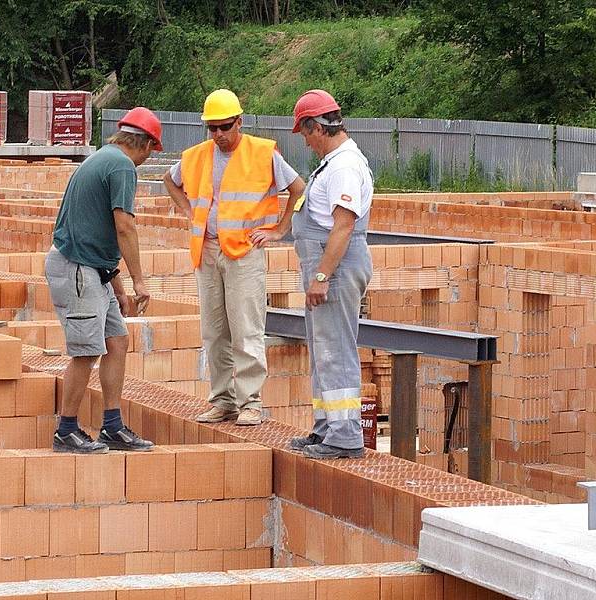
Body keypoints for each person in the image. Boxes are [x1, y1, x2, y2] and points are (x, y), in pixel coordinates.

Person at [163, 89, 305, 426]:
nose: (218, 135)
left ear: (239, 122)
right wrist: (190, 213)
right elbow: (171, 181)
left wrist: (279, 230)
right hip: (208, 252)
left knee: (246, 330)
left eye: (224, 127)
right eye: (212, 128)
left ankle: (250, 402)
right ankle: (223, 401)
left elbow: (298, 189)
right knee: (214, 332)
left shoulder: (262, 153)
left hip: (244, 254)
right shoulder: (196, 156)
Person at [259, 89, 373, 459]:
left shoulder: (343, 166)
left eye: (305, 133)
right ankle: (327, 429)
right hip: (327, 266)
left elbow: (342, 227)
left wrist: (322, 277)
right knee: (324, 350)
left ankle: (344, 437)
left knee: (336, 349)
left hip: (335, 267)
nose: (305, 142)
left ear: (316, 127)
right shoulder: (335, 162)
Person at [45, 107, 162, 453]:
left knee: (116, 340)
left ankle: (112, 426)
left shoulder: (103, 158)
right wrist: (140, 281)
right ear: (145, 145)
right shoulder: (122, 165)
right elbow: (123, 226)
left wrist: (119, 286)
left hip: (91, 269)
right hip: (77, 268)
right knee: (86, 350)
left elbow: (95, 232)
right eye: (151, 152)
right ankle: (66, 430)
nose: (147, 159)